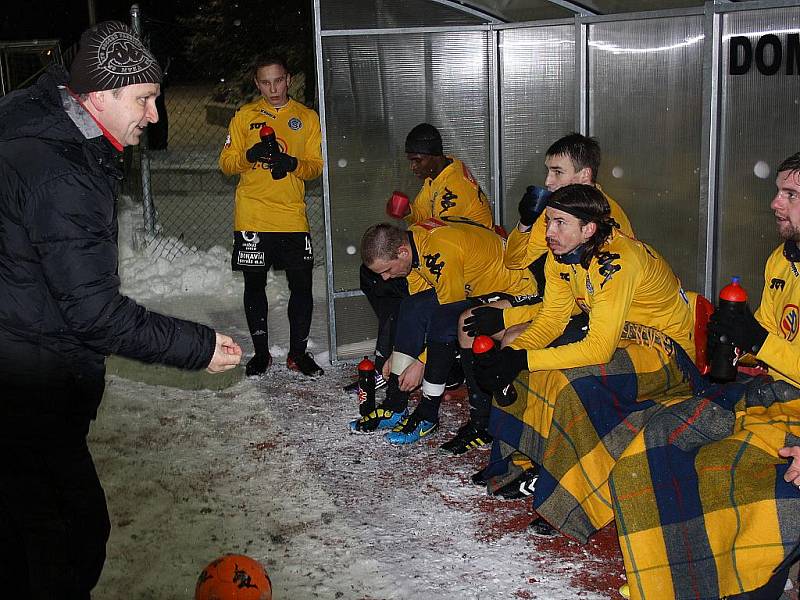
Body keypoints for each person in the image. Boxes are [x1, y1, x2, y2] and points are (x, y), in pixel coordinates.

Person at [0, 21, 242, 599]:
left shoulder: (34, 113)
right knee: (67, 541)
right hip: (27, 384)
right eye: (144, 99)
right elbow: (95, 313)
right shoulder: (63, 174)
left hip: (22, 358)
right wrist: (198, 346)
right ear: (99, 94)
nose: (155, 116)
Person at [609, 153, 800, 600]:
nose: (775, 203)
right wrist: (736, 343)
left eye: (791, 196)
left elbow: (770, 342)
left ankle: (738, 586)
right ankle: (664, 579)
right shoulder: (782, 260)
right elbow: (771, 344)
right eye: (778, 191)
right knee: (656, 439)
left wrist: (757, 339)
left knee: (728, 474)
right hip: (775, 390)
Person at [474, 184, 698, 539]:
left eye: (560, 223)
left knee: (571, 386)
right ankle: (526, 463)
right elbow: (551, 320)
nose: (549, 233)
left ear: (589, 229)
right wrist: (512, 357)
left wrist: (524, 359)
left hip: (666, 352)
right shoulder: (562, 255)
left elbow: (597, 352)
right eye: (548, 221)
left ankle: (568, 502)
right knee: (528, 371)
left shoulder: (618, 262)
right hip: (619, 340)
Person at [352, 219, 536, 451]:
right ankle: (396, 404)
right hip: (479, 289)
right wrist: (399, 356)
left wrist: (421, 362)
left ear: (402, 252)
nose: (386, 278)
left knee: (458, 322)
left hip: (518, 292)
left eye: (387, 270)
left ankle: (439, 416)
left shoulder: (439, 251)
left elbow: (447, 317)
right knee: (411, 307)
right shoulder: (414, 245)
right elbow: (418, 308)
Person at [353, 123, 494, 391]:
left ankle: (424, 360)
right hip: (447, 259)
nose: (412, 168)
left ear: (434, 155)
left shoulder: (454, 190)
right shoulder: (436, 178)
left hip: (468, 270)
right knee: (382, 283)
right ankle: (397, 355)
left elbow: (440, 239)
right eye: (411, 161)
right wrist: (405, 212)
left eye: (416, 160)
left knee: (394, 291)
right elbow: (424, 225)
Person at [219, 54, 323, 377]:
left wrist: (292, 164)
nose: (273, 88)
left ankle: (297, 353)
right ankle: (261, 354)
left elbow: (315, 167)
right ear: (257, 84)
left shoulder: (306, 118)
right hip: (253, 215)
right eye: (265, 82)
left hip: (291, 216)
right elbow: (226, 163)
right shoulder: (244, 116)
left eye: (278, 80)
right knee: (254, 284)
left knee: (302, 286)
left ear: (288, 79)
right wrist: (249, 156)